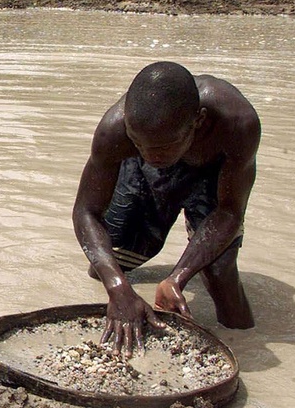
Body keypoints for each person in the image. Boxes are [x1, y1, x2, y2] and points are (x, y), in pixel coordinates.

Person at [72, 61, 259, 356]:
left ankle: (245, 349)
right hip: (147, 177)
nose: (149, 154)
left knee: (221, 275)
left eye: (161, 147)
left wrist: (178, 278)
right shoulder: (114, 132)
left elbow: (230, 211)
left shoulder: (237, 123)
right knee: (107, 265)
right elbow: (86, 211)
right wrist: (118, 287)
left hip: (212, 175)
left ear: (199, 121)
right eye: (138, 143)